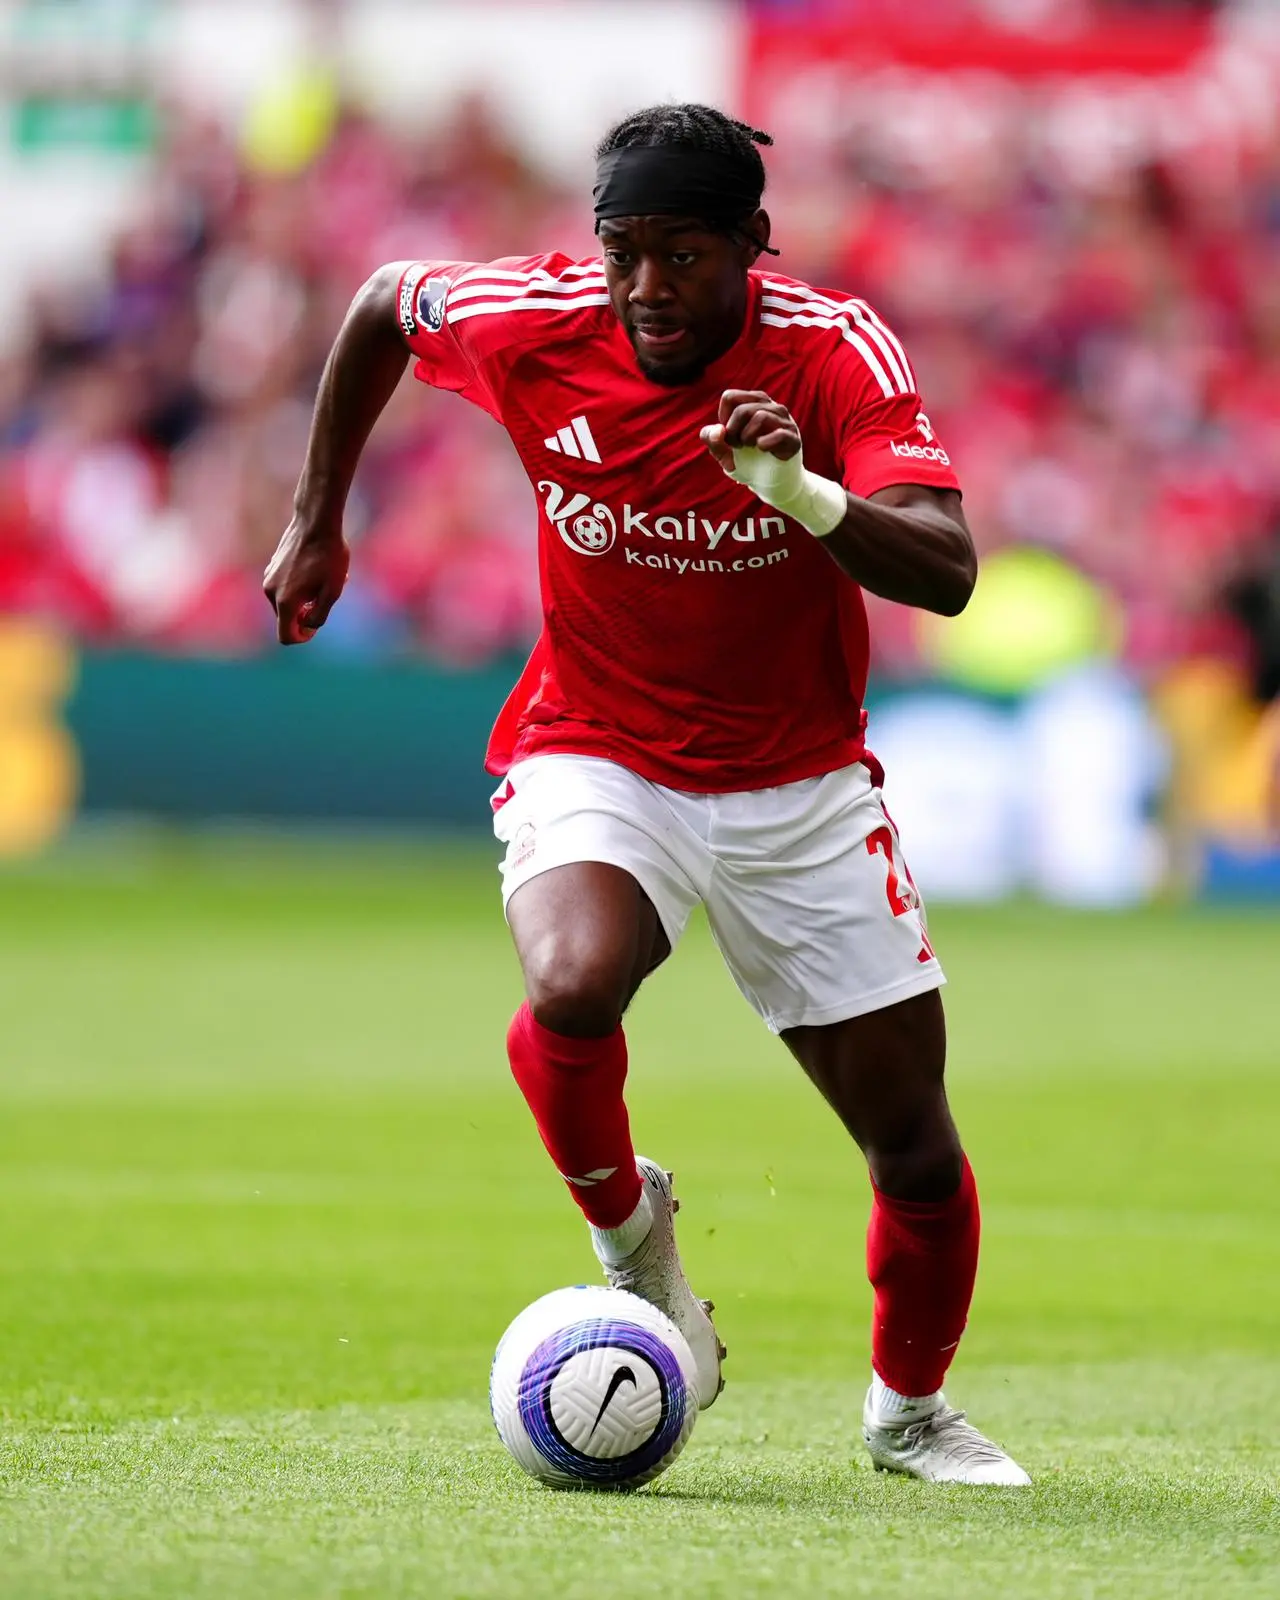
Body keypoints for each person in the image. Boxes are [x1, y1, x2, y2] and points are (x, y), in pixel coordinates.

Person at [264, 103, 1029, 1486]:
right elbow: (383, 303)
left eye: (683, 255)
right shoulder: (533, 318)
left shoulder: (833, 349)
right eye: (624, 252)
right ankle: (634, 1240)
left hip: (798, 786)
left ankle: (909, 1416)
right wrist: (321, 514)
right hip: (597, 744)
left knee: (914, 1149)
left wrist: (798, 489)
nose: (647, 289)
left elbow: (947, 568)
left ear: (753, 245)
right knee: (570, 984)